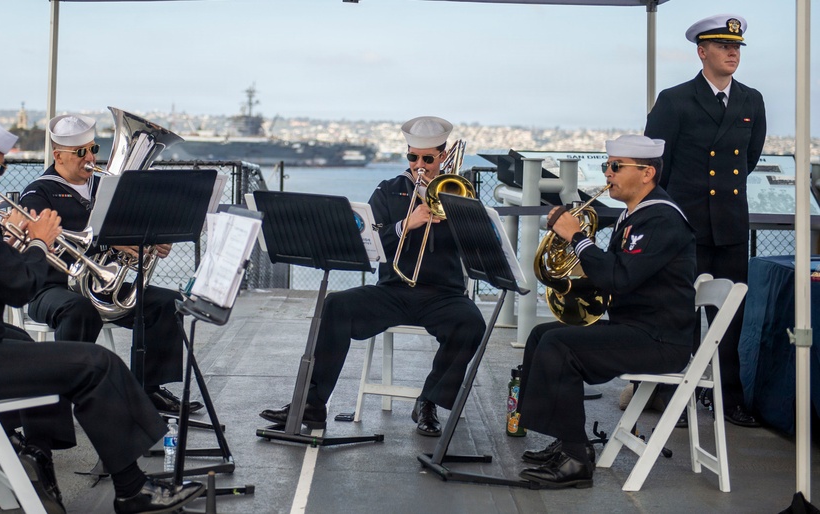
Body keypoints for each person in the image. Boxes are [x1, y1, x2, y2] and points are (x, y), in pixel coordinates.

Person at [0, 106, 204, 513]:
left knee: (35, 347)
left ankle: (37, 459)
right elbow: (20, 289)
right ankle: (132, 489)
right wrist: (38, 241)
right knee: (97, 363)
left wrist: (7, 245)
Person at [259, 116, 486, 437]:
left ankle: (429, 401)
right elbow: (370, 243)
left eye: (428, 159)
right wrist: (405, 224)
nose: (419, 165)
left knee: (472, 323)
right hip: (393, 289)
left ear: (443, 157)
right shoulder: (388, 191)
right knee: (335, 305)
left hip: (443, 294)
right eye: (413, 157)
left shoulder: (460, 193)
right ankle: (312, 403)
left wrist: (458, 215)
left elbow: (478, 246)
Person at [516, 135, 697, 489]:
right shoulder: (634, 216)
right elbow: (613, 279)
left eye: (616, 166)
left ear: (646, 173)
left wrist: (577, 239)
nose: (608, 173)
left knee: (560, 347)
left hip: (660, 339)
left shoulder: (662, 220)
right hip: (638, 329)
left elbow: (621, 276)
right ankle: (565, 439)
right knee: (541, 335)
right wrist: (565, 285)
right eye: (606, 166)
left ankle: (576, 461)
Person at [18, 113, 202, 415]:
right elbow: (45, 242)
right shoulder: (39, 192)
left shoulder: (106, 186)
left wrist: (153, 240)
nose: (90, 157)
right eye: (82, 152)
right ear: (58, 156)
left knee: (167, 302)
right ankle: (67, 395)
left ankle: (149, 389)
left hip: (100, 285)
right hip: (49, 288)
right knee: (79, 310)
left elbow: (134, 226)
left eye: (93, 149)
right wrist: (105, 241)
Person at [644, 14, 766, 428]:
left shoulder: (751, 100)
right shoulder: (674, 100)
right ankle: (671, 394)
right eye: (723, 46)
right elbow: (657, 169)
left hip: (730, 226)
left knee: (730, 317)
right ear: (702, 51)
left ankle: (729, 399)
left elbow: (747, 161)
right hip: (687, 227)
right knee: (680, 313)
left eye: (736, 47)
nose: (733, 52)